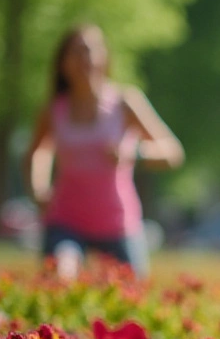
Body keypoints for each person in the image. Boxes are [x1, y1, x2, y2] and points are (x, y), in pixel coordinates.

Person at [23, 24, 184, 279]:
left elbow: (172, 152)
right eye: (75, 52)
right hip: (66, 220)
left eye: (90, 51)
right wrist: (38, 188)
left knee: (131, 298)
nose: (84, 59)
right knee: (60, 276)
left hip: (117, 224)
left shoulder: (125, 102)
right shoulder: (54, 110)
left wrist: (133, 154)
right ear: (62, 63)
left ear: (104, 57)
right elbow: (38, 152)